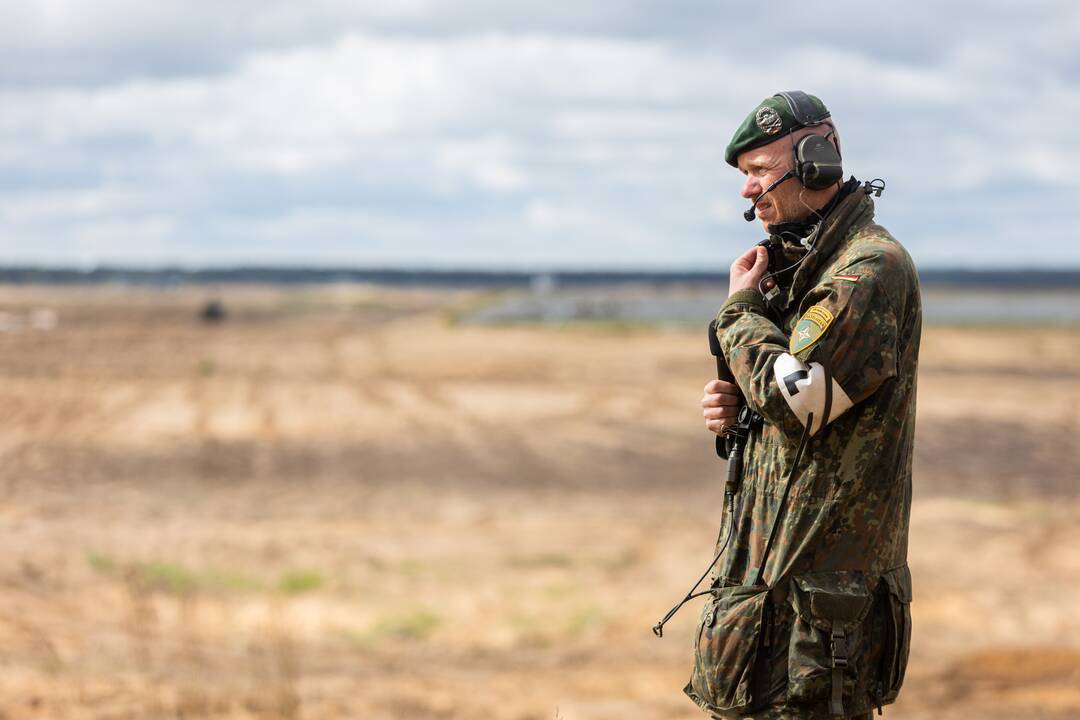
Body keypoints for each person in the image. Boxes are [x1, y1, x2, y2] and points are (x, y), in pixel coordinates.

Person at [687, 92, 921, 719]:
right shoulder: (801, 272)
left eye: (759, 171)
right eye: (744, 177)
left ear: (816, 160)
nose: (748, 191)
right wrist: (739, 413)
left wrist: (738, 314)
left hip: (817, 637)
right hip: (767, 615)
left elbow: (802, 405)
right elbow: (791, 415)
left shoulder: (866, 271)